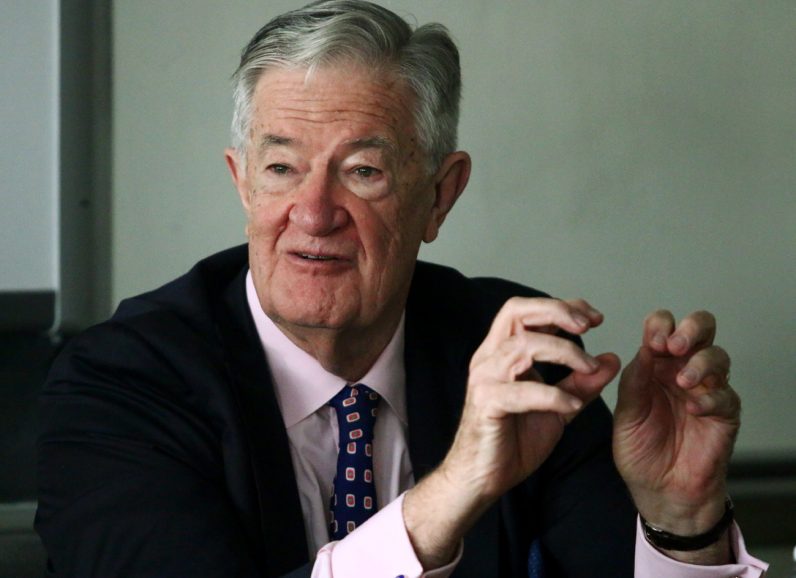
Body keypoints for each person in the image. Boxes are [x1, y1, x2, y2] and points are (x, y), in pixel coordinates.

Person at [36, 1, 768, 576]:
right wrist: (449, 495)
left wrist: (681, 521)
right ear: (242, 183)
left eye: (363, 172)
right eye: (282, 169)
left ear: (440, 196)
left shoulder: (515, 357)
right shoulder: (121, 381)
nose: (314, 214)